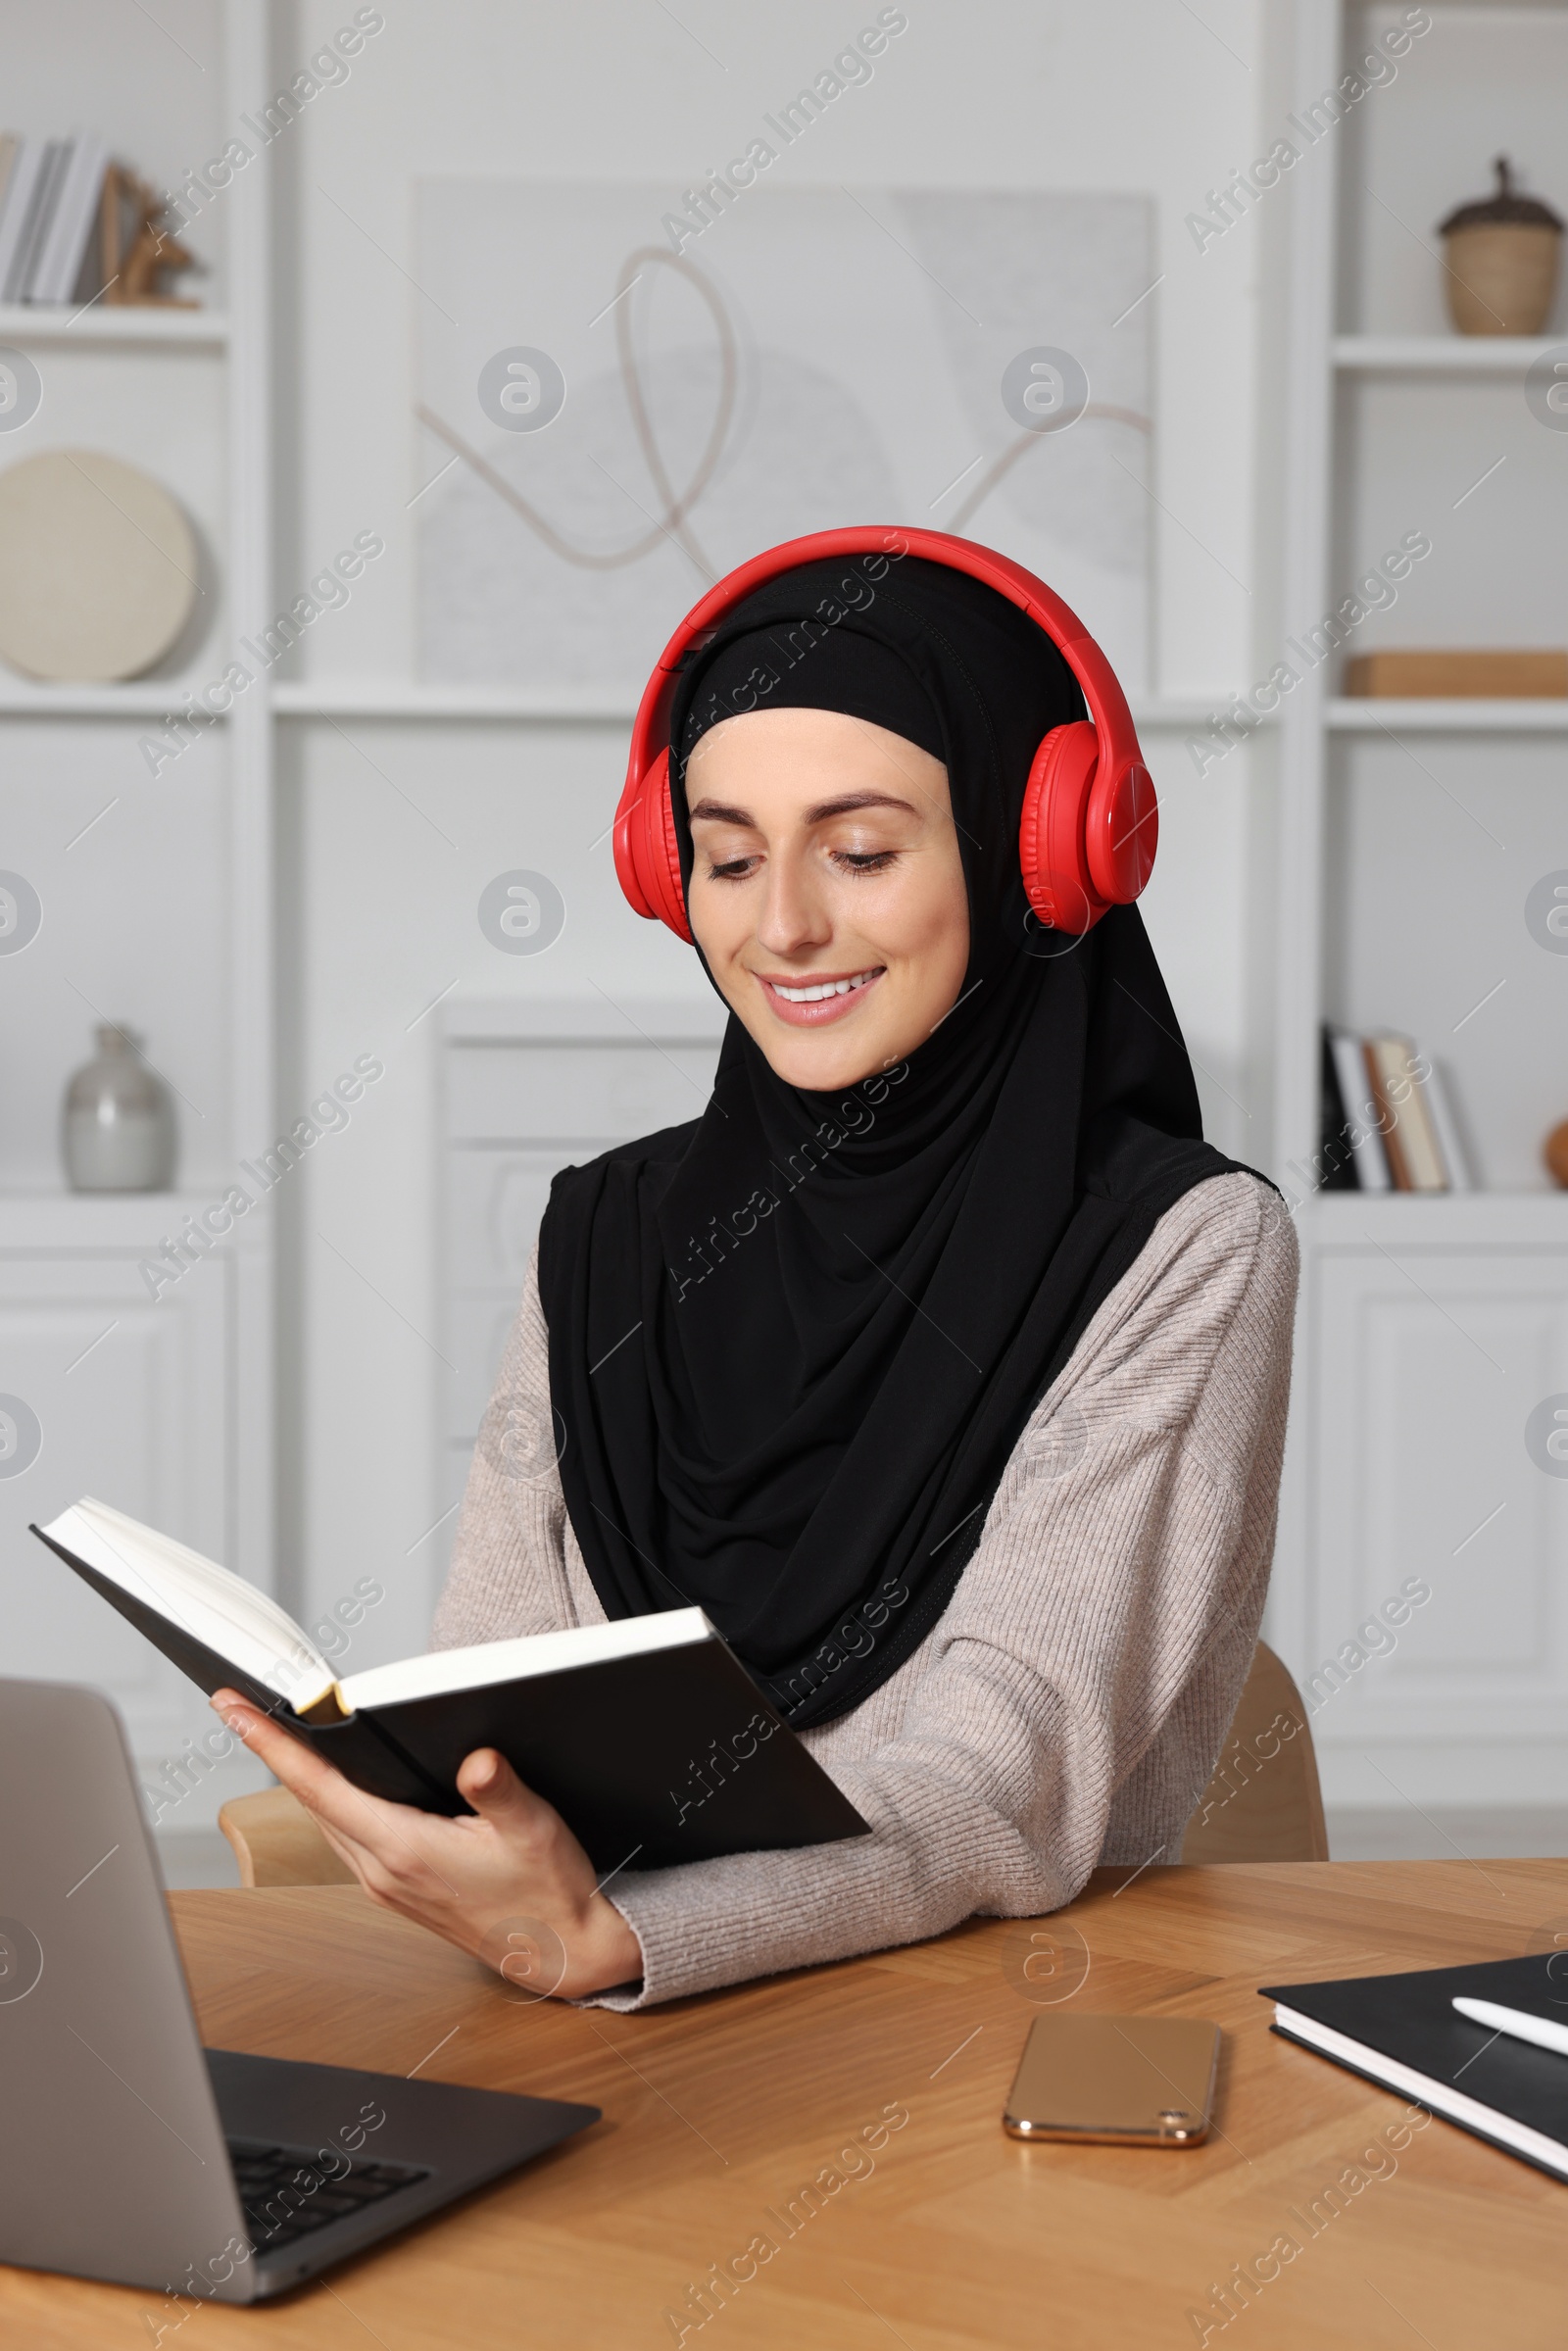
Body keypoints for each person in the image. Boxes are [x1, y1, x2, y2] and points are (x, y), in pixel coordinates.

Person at [217, 546, 1298, 2009]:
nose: (781, 925)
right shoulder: (606, 1231)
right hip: (600, 2023)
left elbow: (1005, 1781)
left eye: (859, 852)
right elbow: (496, 1684)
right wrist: (433, 1813)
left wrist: (640, 1936)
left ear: (1033, 853)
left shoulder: (1183, 1249)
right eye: (727, 858)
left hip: (978, 2027)